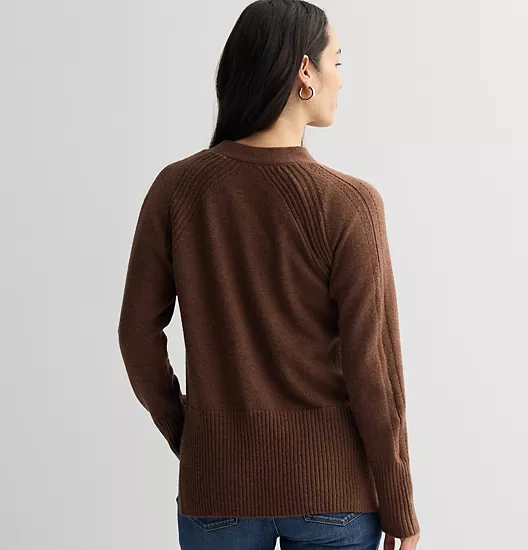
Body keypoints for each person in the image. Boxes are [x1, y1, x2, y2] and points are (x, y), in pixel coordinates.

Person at [117, 1, 421, 549]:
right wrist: (400, 503)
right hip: (332, 493)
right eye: (336, 61)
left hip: (217, 490)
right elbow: (372, 366)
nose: (341, 79)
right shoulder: (349, 204)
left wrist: (195, 440)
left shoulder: (177, 190)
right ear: (305, 71)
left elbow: (136, 335)